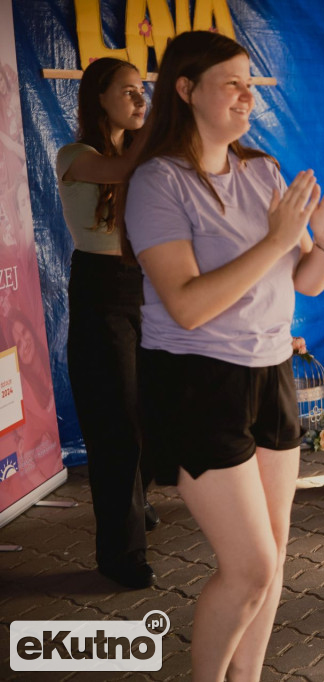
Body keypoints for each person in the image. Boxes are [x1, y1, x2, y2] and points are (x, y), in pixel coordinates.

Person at [123, 31, 324, 681]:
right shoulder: (157, 182)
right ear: (185, 90)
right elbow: (189, 305)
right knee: (249, 566)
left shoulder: (263, 170)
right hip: (197, 381)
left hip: (270, 372)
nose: (247, 94)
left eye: (250, 81)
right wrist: (277, 238)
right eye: (232, 82)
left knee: (274, 558)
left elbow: (306, 278)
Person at [55, 57, 156, 589]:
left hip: (146, 286)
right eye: (129, 92)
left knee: (149, 410)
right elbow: (122, 170)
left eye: (144, 91)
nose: (141, 100)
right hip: (101, 289)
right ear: (99, 97)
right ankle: (120, 553)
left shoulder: (141, 156)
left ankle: (137, 503)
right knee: (115, 423)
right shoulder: (76, 155)